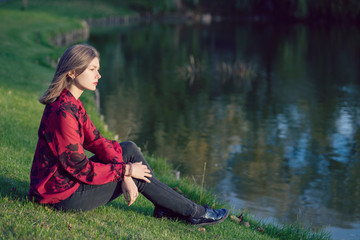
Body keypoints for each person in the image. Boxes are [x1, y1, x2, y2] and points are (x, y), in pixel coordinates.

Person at [29, 44, 228, 226]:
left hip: (65, 184)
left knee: (129, 148)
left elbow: (97, 141)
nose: (98, 76)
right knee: (137, 174)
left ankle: (167, 206)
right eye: (92, 70)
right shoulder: (63, 113)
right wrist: (125, 171)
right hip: (61, 195)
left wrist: (125, 171)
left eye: (97, 69)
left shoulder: (72, 103)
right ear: (72, 72)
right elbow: (81, 168)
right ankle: (194, 212)